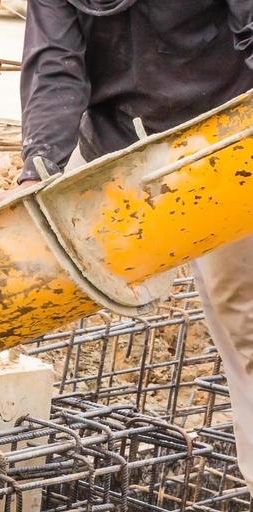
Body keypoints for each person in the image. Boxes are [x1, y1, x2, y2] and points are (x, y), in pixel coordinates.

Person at [15, 0, 253, 485]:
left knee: (245, 321)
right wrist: (37, 172)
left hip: (225, 138)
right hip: (120, 144)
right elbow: (55, 64)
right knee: (13, 265)